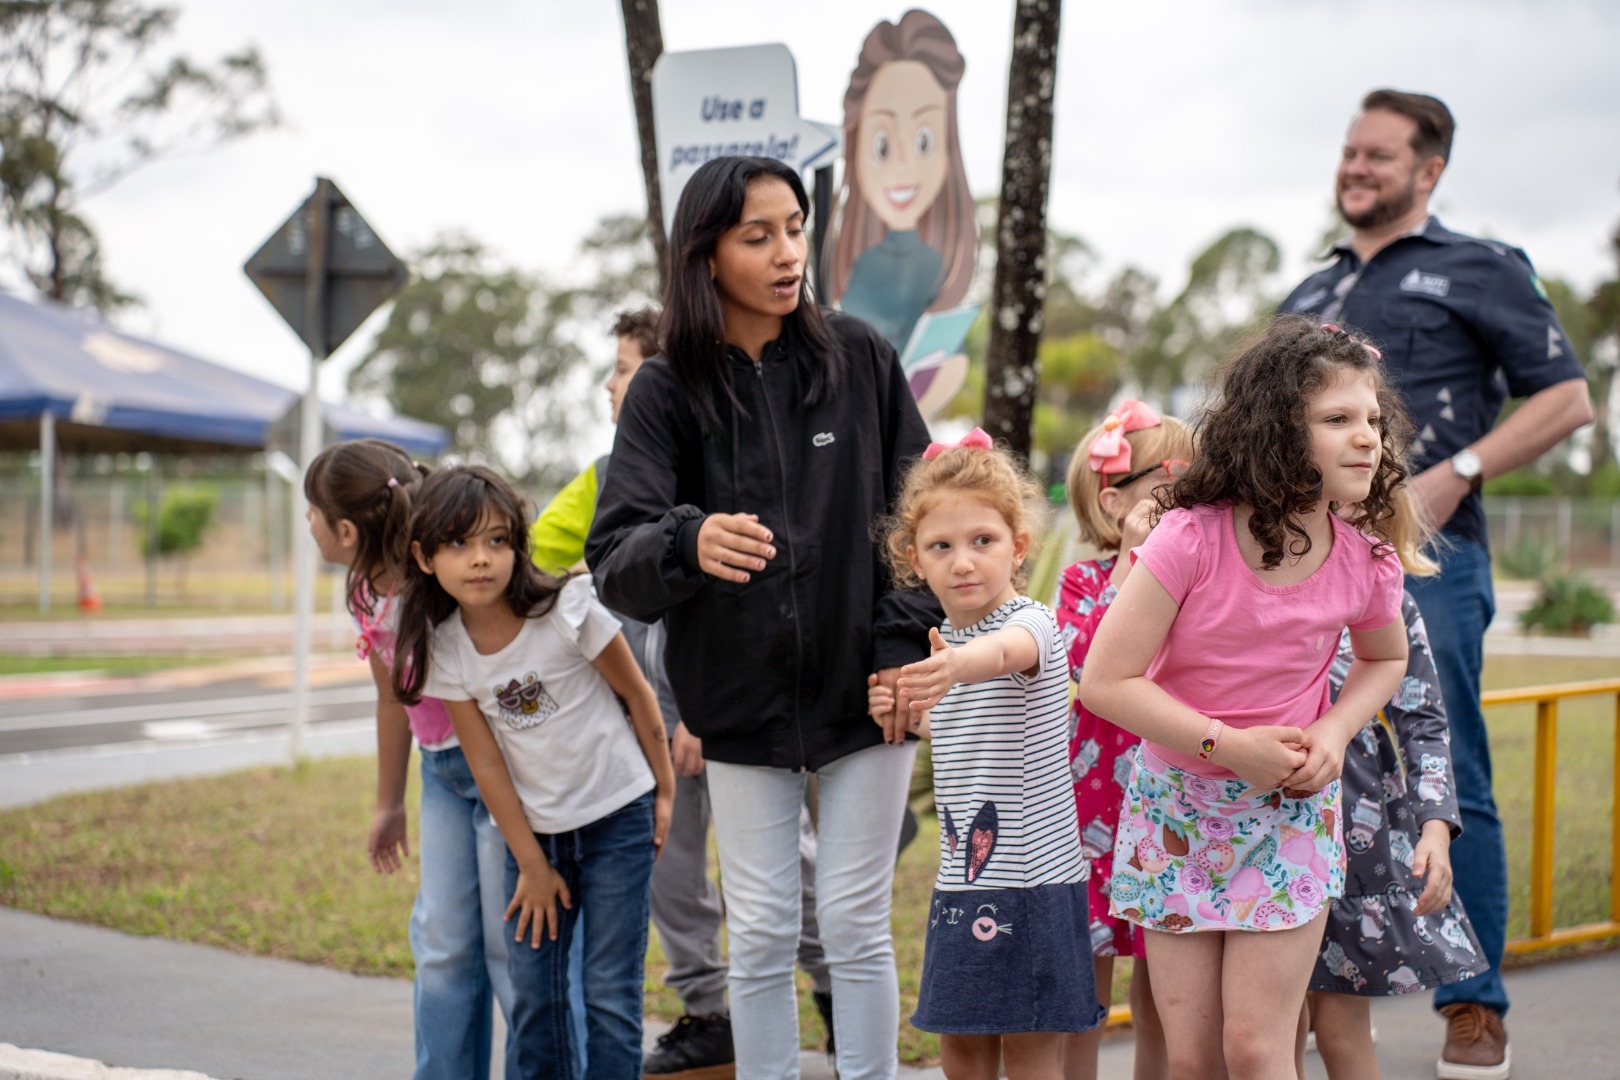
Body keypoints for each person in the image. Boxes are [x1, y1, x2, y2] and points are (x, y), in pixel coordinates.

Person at [585, 155, 939, 1080]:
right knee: (765, 930)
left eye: (795, 229)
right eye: (759, 236)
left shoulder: (860, 356)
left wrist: (902, 649)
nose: (789, 254)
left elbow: (925, 523)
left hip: (870, 690)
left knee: (857, 926)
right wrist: (687, 543)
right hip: (738, 706)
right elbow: (614, 556)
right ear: (706, 256)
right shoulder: (665, 390)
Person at [1278, 89, 1593, 1080]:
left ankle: (1474, 1005)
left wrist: (1459, 473)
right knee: (1304, 762)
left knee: (1442, 764)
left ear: (1429, 170)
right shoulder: (1306, 298)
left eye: (1379, 154)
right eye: (1349, 151)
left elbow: (1569, 397)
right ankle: (1304, 994)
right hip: (1298, 570)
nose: (1356, 167)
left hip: (1428, 563)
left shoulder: (1480, 269)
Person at [1079, 316, 1412, 1080]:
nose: (1367, 439)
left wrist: (1333, 731)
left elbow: (1383, 658)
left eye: (1372, 421)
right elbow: (1105, 680)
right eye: (1338, 420)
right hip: (1177, 816)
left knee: (1257, 1049)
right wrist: (1229, 747)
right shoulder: (1189, 539)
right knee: (1192, 1059)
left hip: (1289, 816)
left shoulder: (1366, 559)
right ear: (1275, 433)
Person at [529, 306, 837, 1078]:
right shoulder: (606, 474)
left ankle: (836, 993)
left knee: (777, 869)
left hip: (710, 701)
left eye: (626, 369)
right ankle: (708, 1012)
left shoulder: (714, 453)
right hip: (649, 713)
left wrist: (696, 710)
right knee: (671, 868)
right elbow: (543, 552)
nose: (611, 385)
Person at [392, 464, 676, 1080]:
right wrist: (532, 865)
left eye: (497, 540)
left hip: (618, 821)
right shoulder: (445, 645)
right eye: (459, 543)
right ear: (423, 556)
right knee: (535, 996)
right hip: (540, 838)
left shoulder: (567, 607)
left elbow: (639, 696)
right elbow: (486, 763)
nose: (480, 560)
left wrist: (665, 793)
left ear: (518, 546)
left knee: (608, 992)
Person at [869, 430, 1104, 1080]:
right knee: (960, 1052)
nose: (963, 562)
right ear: (914, 560)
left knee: (1031, 1057)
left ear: (1018, 548)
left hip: (1031, 887)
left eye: (983, 542)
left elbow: (999, 658)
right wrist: (906, 702)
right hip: (962, 886)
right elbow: (962, 741)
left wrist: (952, 668)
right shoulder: (942, 644)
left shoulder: (1030, 622)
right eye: (942, 547)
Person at [303, 438, 514, 1080]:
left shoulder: (444, 585)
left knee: (509, 951)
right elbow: (393, 701)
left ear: (343, 529)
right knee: (445, 946)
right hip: (445, 777)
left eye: (311, 511)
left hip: (506, 777)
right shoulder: (367, 594)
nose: (306, 522)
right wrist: (388, 802)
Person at [1308, 486, 1489, 1079]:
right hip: (1265, 834)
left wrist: (1434, 829)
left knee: (1341, 1028)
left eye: (1363, 519)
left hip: (1354, 852)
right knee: (1270, 1035)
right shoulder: (1266, 598)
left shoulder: (1393, 607)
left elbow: (1426, 723)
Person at [1054, 401, 1193, 1080]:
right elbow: (1086, 662)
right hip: (1094, 811)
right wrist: (1132, 564)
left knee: (1163, 989)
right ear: (1115, 504)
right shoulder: (1081, 582)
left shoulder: (1198, 576)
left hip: (1171, 802)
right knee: (1086, 983)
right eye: (1175, 480)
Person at [825, 8, 978, 413]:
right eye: (882, 145)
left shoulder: (935, 264)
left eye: (925, 141)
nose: (904, 166)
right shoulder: (852, 264)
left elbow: (951, 362)